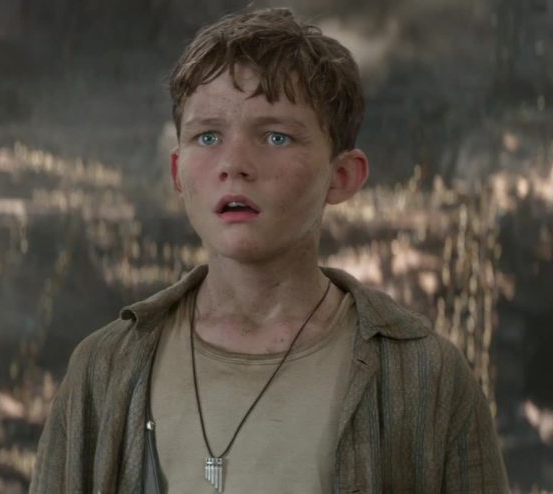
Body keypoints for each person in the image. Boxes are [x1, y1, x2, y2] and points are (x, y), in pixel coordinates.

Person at [30, 8, 509, 493]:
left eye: (276, 137)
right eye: (207, 136)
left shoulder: (424, 378)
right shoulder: (104, 370)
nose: (234, 164)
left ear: (342, 176)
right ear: (178, 173)